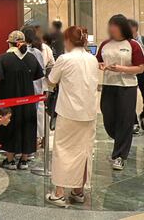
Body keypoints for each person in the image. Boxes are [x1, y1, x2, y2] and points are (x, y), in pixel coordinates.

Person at [45, 26, 99, 207]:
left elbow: (51, 80)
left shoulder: (64, 59)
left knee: (63, 151)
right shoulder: (92, 59)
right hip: (89, 113)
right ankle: (78, 191)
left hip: (68, 112)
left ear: (68, 40)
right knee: (84, 151)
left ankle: (59, 193)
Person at [97, 14, 144, 170]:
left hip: (127, 86)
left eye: (114, 26)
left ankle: (119, 155)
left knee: (125, 120)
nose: (111, 29)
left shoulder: (133, 45)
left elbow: (140, 68)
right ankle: (121, 140)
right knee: (108, 118)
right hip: (108, 85)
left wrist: (121, 69)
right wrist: (101, 65)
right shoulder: (105, 44)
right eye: (110, 25)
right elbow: (98, 60)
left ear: (122, 27)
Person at [0, 30, 44, 170]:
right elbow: (37, 76)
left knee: (10, 126)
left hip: (8, 100)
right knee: (27, 126)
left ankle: (10, 160)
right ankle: (24, 160)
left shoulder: (3, 58)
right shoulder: (31, 58)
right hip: (28, 100)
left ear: (10, 43)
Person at [128, 19, 144, 134]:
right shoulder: (125, 43)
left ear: (136, 30)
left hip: (142, 72)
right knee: (129, 99)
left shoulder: (142, 40)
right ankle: (133, 123)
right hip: (129, 73)